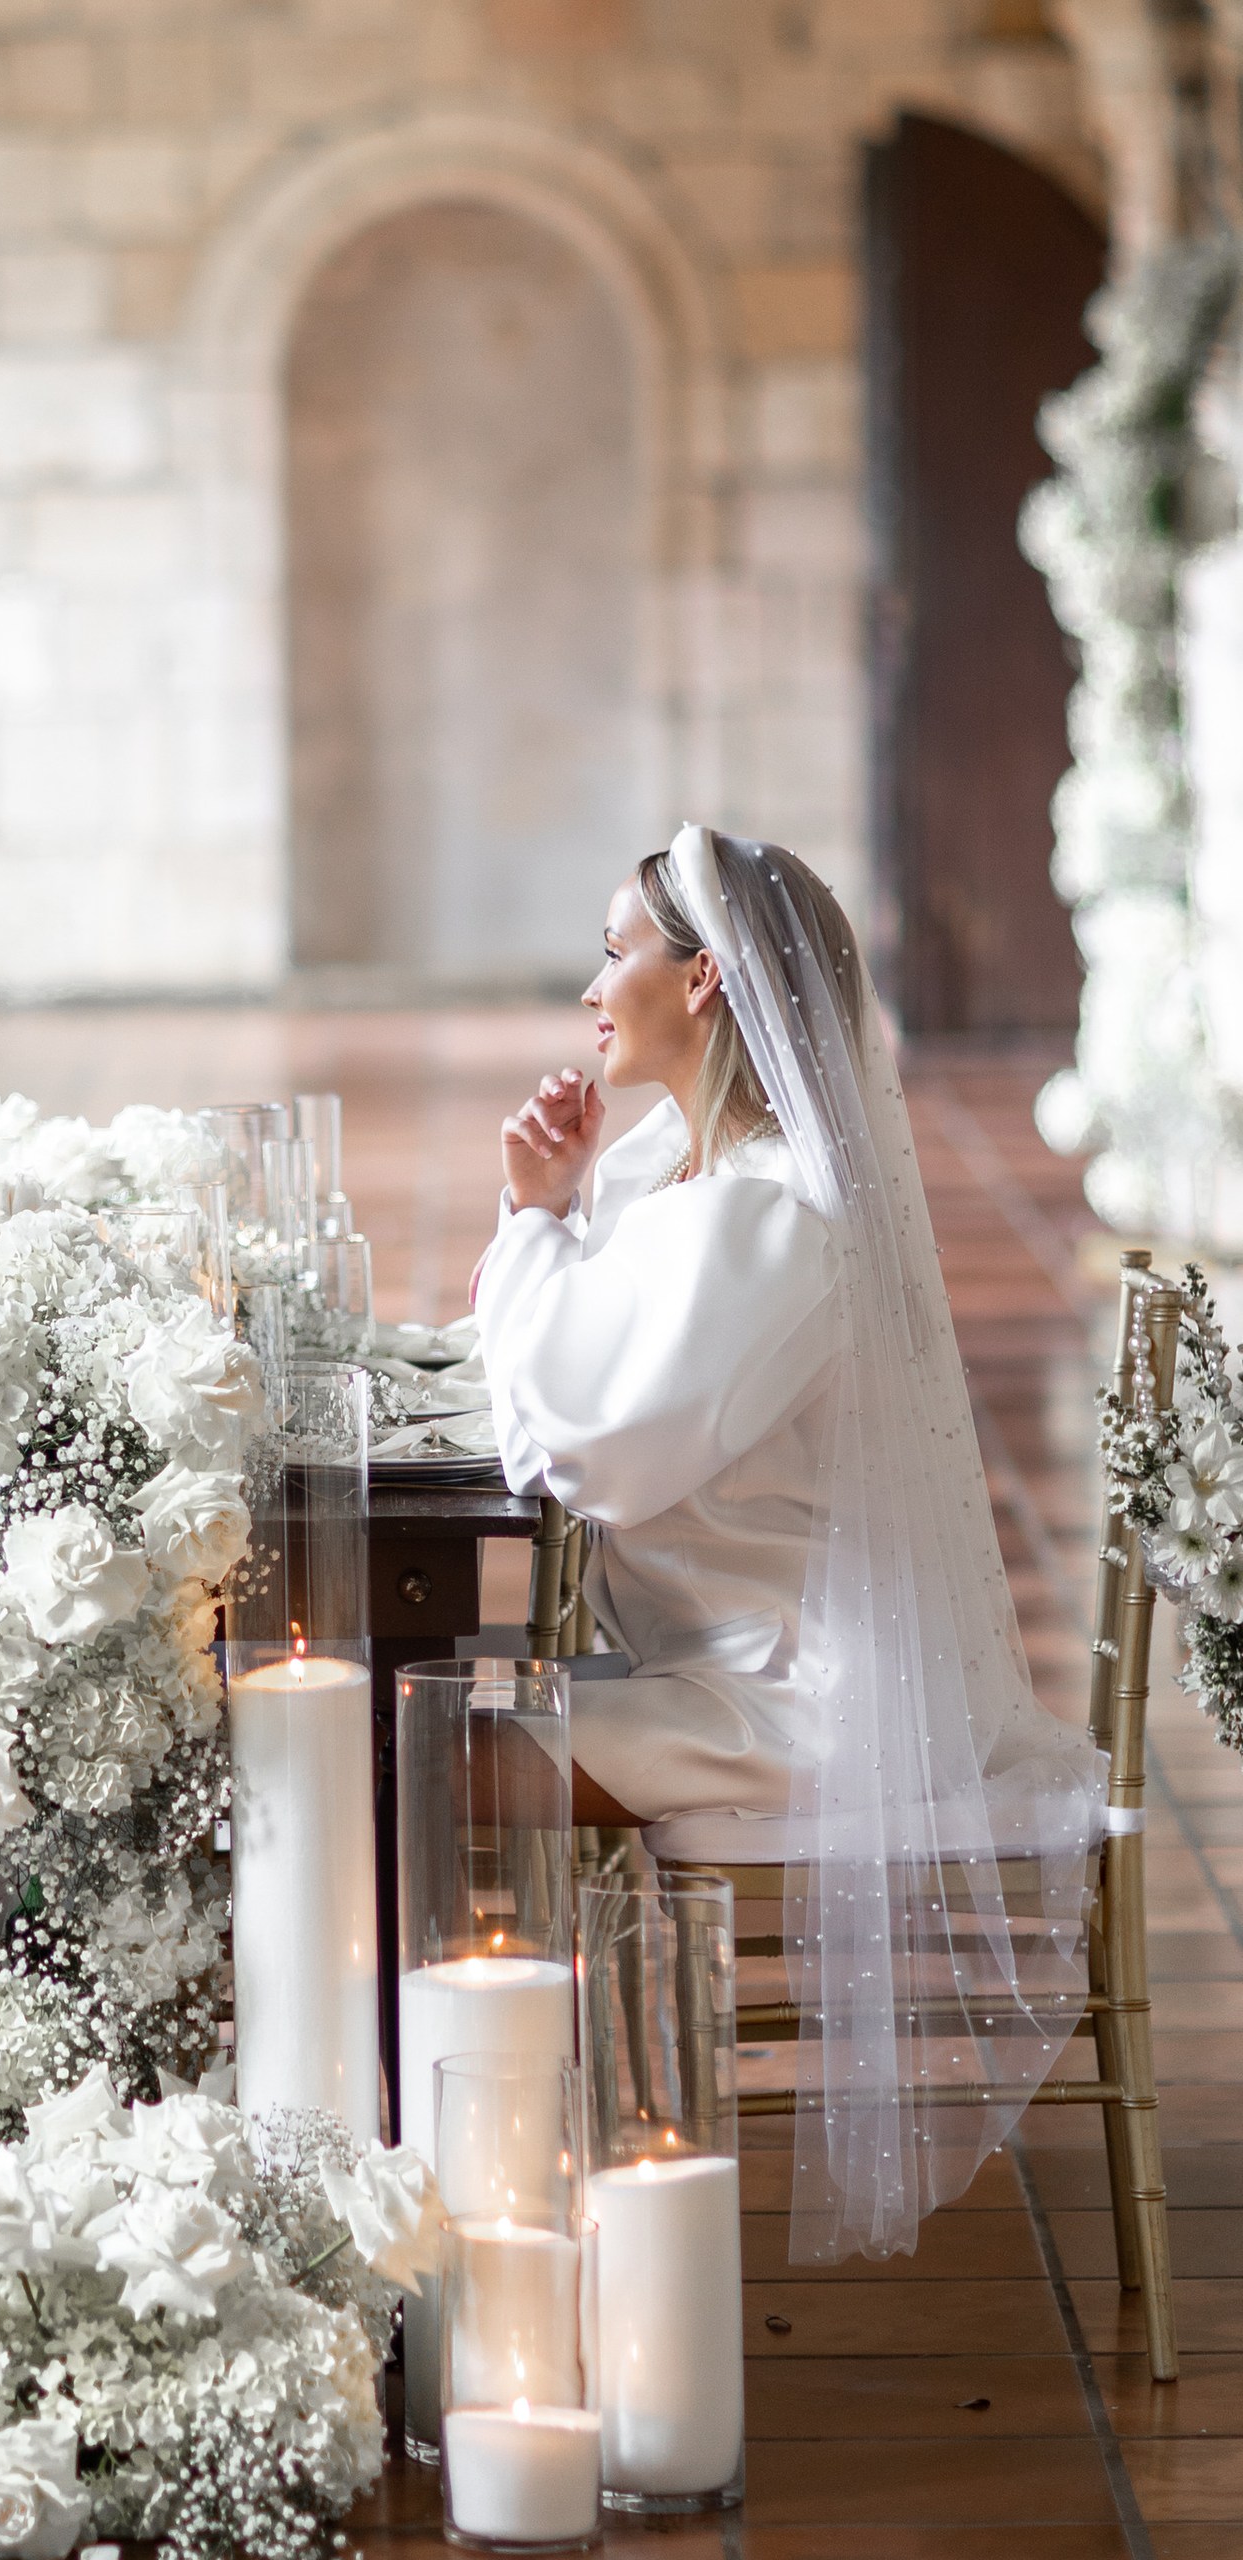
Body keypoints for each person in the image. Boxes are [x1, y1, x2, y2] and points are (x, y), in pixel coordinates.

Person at [474, 823, 1102, 2261]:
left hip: (784, 1698)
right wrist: (560, 1220)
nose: (591, 988)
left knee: (423, 1765)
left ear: (700, 984)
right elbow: (559, 1382)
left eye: (615, 951)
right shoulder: (681, 1179)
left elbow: (596, 1448)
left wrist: (532, 1223)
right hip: (700, 1665)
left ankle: (484, 2148)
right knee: (424, 1736)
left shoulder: (771, 1220)